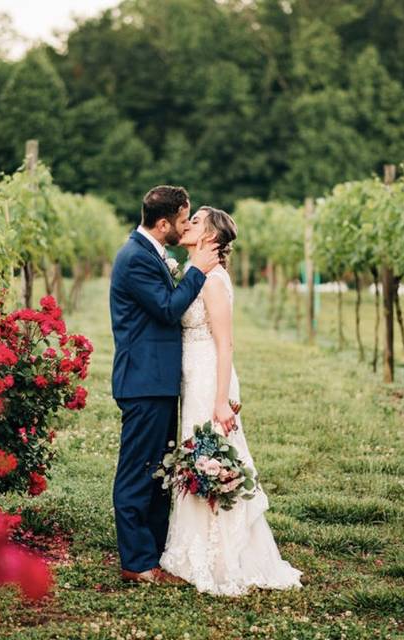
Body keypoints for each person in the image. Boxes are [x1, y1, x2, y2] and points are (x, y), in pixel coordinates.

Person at [159, 206, 302, 596]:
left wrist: (221, 401)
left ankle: (222, 556)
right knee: (197, 457)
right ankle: (194, 548)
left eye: (196, 222)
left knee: (212, 458)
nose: (187, 225)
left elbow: (226, 345)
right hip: (193, 378)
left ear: (210, 238)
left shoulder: (213, 281)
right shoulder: (196, 274)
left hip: (210, 381)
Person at [108, 186, 219, 584]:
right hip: (143, 381)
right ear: (162, 223)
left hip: (156, 381)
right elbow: (170, 309)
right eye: (183, 220)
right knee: (139, 473)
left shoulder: (151, 253)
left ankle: (152, 558)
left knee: (159, 472)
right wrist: (197, 272)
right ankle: (136, 564)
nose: (187, 226)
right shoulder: (136, 258)